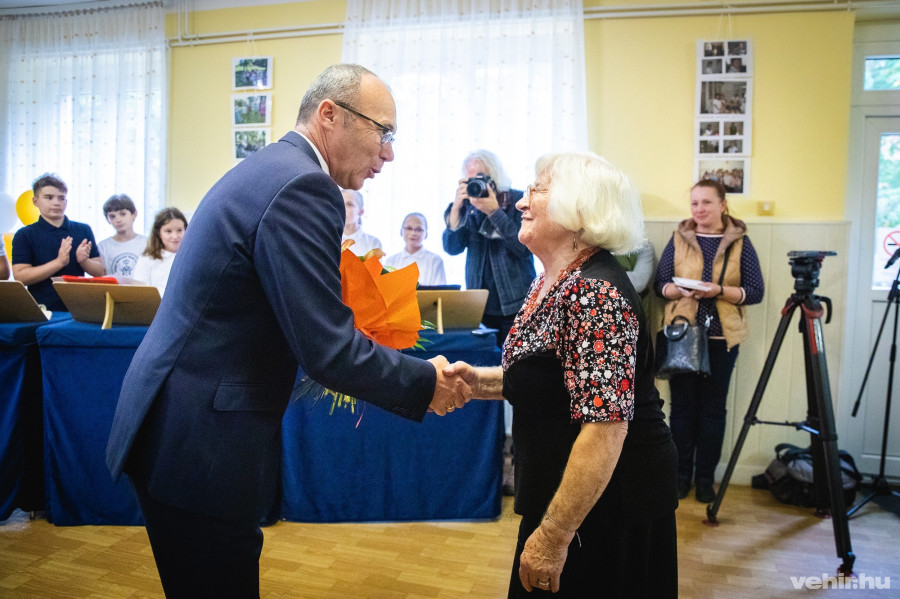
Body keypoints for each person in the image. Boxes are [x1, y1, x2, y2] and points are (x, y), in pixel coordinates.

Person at [105, 64, 471, 597]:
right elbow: (328, 349)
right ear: (330, 114)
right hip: (201, 440)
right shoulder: (305, 185)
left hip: (179, 423)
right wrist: (425, 381)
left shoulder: (272, 167)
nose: (389, 153)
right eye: (383, 132)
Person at [445, 152, 678, 598]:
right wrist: (475, 382)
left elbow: (605, 427)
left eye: (538, 189)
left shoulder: (595, 293)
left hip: (604, 508)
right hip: (565, 495)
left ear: (579, 211)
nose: (520, 201)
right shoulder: (553, 279)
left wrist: (553, 537)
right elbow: (552, 380)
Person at [654, 179, 764, 503]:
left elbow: (755, 292)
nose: (699, 209)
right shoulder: (679, 238)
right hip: (683, 334)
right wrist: (678, 290)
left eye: (706, 202)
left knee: (713, 411)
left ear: (723, 204)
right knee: (682, 410)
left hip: (722, 338)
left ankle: (705, 480)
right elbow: (661, 284)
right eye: (694, 203)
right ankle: (680, 477)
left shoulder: (740, 242)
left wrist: (719, 291)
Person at [443, 150, 535, 347]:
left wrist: (494, 212)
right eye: (470, 180)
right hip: (479, 306)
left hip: (516, 303)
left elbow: (524, 248)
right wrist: (456, 208)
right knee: (485, 360)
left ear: (495, 177)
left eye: (481, 178)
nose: (476, 184)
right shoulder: (466, 206)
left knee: (517, 360)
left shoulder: (518, 201)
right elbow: (452, 248)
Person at [11, 173, 105, 311]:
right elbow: (20, 277)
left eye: (61, 198)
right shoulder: (25, 234)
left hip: (79, 309)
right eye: (49, 197)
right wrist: (58, 262)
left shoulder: (83, 229)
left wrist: (84, 261)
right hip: (42, 310)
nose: (56, 203)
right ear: (36, 201)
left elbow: (101, 272)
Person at [132, 207, 187, 297]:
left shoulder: (192, 258)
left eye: (179, 230)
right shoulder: (147, 259)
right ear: (158, 233)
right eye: (168, 231)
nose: (175, 236)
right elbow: (141, 292)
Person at [383, 212, 446, 286]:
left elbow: (440, 291)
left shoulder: (435, 261)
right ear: (401, 231)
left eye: (419, 229)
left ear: (426, 234)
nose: (413, 233)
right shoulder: (391, 261)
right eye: (409, 228)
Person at [98, 194, 147, 279]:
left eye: (123, 214)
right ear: (107, 219)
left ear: (134, 214)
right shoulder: (103, 246)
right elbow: (102, 275)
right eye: (112, 216)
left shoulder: (147, 243)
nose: (118, 220)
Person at [341, 188, 382, 255]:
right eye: (340, 203)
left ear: (361, 212)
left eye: (349, 204)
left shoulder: (373, 243)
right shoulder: (328, 239)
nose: (343, 208)